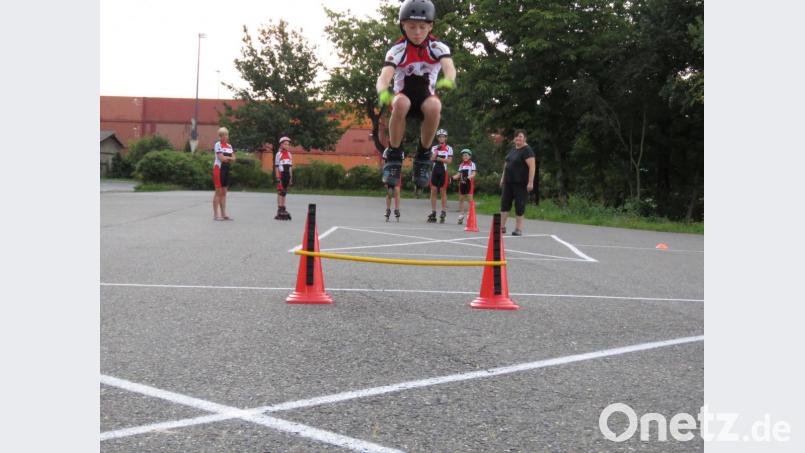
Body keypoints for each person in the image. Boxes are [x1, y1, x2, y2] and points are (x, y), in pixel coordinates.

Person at [376, 0, 457, 193]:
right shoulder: (398, 50)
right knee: (401, 102)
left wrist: (449, 79)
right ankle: (394, 154)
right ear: (403, 25)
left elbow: (449, 68)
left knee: (435, 107)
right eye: (412, 27)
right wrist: (382, 91)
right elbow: (384, 77)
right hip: (403, 97)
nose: (417, 32)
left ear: (430, 26)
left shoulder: (438, 47)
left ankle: (423, 154)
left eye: (422, 27)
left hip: (425, 98)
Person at [499, 129, 536, 236]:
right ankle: (501, 227)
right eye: (516, 136)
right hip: (508, 182)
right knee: (504, 204)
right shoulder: (513, 150)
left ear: (525, 138)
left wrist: (530, 182)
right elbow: (506, 166)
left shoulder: (527, 150)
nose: (518, 138)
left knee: (519, 205)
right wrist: (502, 178)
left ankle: (518, 229)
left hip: (520, 183)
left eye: (520, 136)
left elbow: (532, 167)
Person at [427, 129, 452, 223]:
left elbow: (449, 161)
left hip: (443, 171)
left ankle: (443, 211)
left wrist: (439, 158)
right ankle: (433, 211)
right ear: (438, 138)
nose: (441, 138)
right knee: (433, 190)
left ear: (446, 138)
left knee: (442, 191)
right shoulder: (434, 147)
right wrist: (437, 151)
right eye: (440, 136)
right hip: (435, 171)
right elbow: (432, 158)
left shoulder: (449, 148)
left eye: (443, 136)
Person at [212, 127, 235, 221]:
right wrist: (229, 158)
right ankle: (215, 214)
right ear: (220, 136)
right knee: (218, 192)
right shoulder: (218, 144)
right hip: (219, 169)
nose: (226, 136)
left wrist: (228, 158)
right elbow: (221, 159)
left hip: (226, 169)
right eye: (224, 135)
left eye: (227, 134)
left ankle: (223, 214)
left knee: (224, 193)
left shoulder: (229, 146)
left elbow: (234, 158)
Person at [452, 148, 476, 225]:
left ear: (469, 156)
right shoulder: (461, 165)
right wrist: (452, 178)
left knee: (470, 200)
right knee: (461, 199)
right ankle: (461, 214)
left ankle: (470, 214)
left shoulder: (472, 164)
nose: (464, 157)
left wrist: (469, 177)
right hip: (462, 183)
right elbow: (458, 174)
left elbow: (474, 173)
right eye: (463, 156)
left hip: (469, 184)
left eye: (466, 155)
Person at [382, 146, 403, 222]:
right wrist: (384, 175)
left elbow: (401, 163)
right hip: (388, 171)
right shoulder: (386, 150)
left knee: (397, 190)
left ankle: (397, 209)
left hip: (397, 172)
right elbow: (383, 162)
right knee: (389, 192)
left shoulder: (400, 150)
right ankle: (388, 210)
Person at [274, 136, 293, 221]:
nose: (287, 146)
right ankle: (279, 208)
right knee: (280, 191)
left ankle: (283, 207)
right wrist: (278, 177)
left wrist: (291, 177)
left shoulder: (289, 154)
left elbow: (290, 167)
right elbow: (277, 167)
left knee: (284, 191)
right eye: (285, 144)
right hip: (281, 174)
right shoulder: (278, 154)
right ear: (281, 145)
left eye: (288, 144)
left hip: (287, 174)